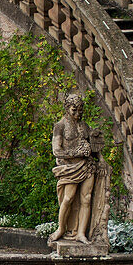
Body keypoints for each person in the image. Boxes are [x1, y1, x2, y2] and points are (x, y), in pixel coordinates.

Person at [49, 94, 101, 244]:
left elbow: (95, 146)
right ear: (67, 108)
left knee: (87, 199)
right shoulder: (60, 126)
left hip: (87, 166)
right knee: (68, 198)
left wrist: (101, 159)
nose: (78, 114)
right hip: (70, 167)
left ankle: (81, 233)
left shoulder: (84, 125)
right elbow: (56, 151)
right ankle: (61, 229)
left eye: (80, 110)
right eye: (74, 110)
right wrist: (76, 153)